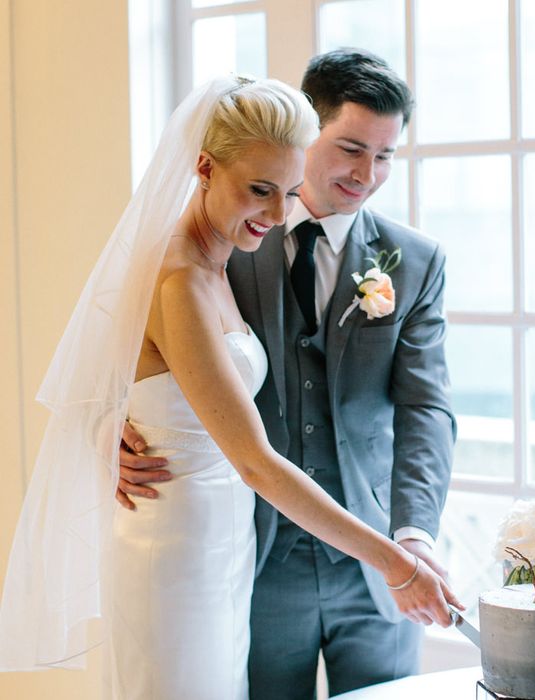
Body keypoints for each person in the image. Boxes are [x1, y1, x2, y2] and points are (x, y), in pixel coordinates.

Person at [0, 75, 459, 699]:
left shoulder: (232, 248)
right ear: (204, 168)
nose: (275, 213)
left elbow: (425, 406)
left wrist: (408, 540)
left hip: (237, 545)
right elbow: (123, 369)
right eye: (261, 191)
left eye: (287, 193)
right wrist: (111, 425)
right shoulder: (191, 268)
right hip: (195, 549)